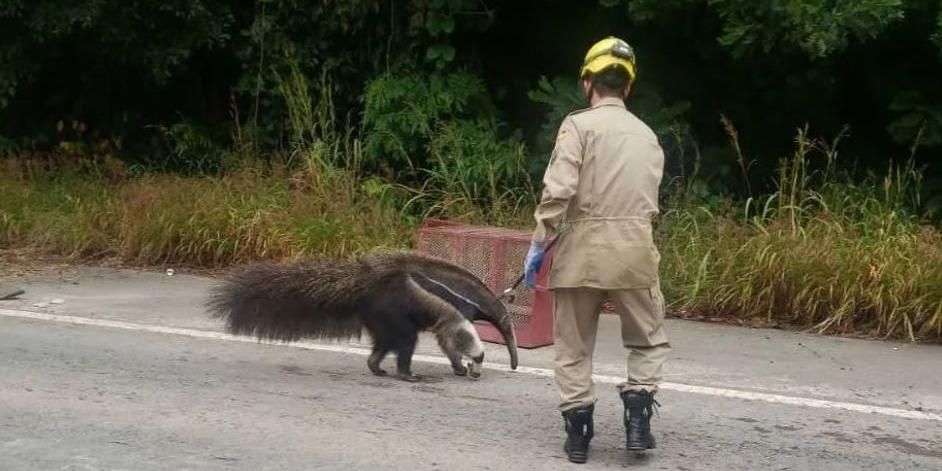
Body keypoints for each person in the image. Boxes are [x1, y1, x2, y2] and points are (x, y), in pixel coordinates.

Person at [523, 36, 671, 464]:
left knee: (573, 346)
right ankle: (639, 419)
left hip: (582, 251)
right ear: (628, 86)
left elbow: (558, 193)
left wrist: (538, 245)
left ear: (587, 82)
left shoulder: (577, 126)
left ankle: (579, 433)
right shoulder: (647, 135)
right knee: (646, 340)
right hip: (635, 251)